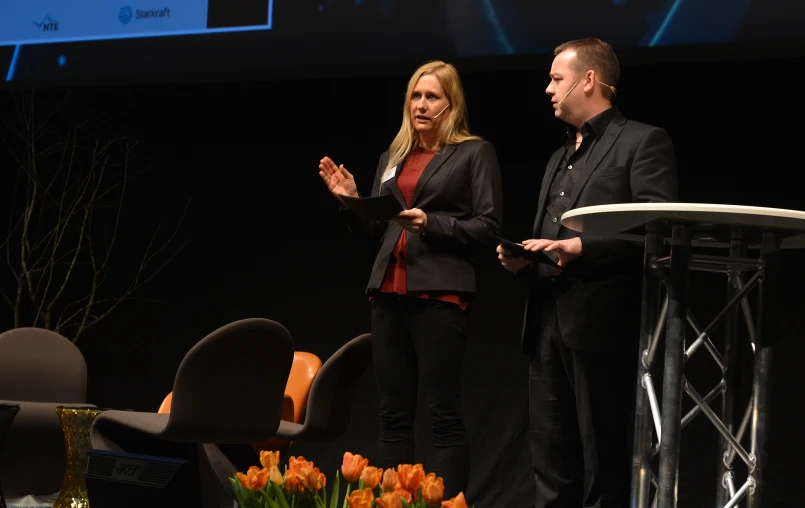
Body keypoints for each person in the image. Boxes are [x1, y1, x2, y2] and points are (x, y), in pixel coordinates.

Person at [497, 38, 678, 508]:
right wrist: (526, 257)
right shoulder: (559, 157)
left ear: (589, 80)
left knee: (604, 464)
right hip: (545, 323)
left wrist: (581, 246)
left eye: (557, 79)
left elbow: (657, 233)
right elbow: (549, 236)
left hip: (601, 325)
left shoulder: (642, 141)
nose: (548, 89)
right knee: (551, 462)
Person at [318, 60, 503, 498]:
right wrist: (351, 202)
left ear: (451, 104)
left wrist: (431, 222)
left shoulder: (475, 153)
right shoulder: (392, 158)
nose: (421, 104)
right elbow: (380, 232)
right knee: (392, 415)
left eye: (432, 96)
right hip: (387, 294)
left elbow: (488, 227)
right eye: (416, 96)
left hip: (439, 294)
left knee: (442, 413)